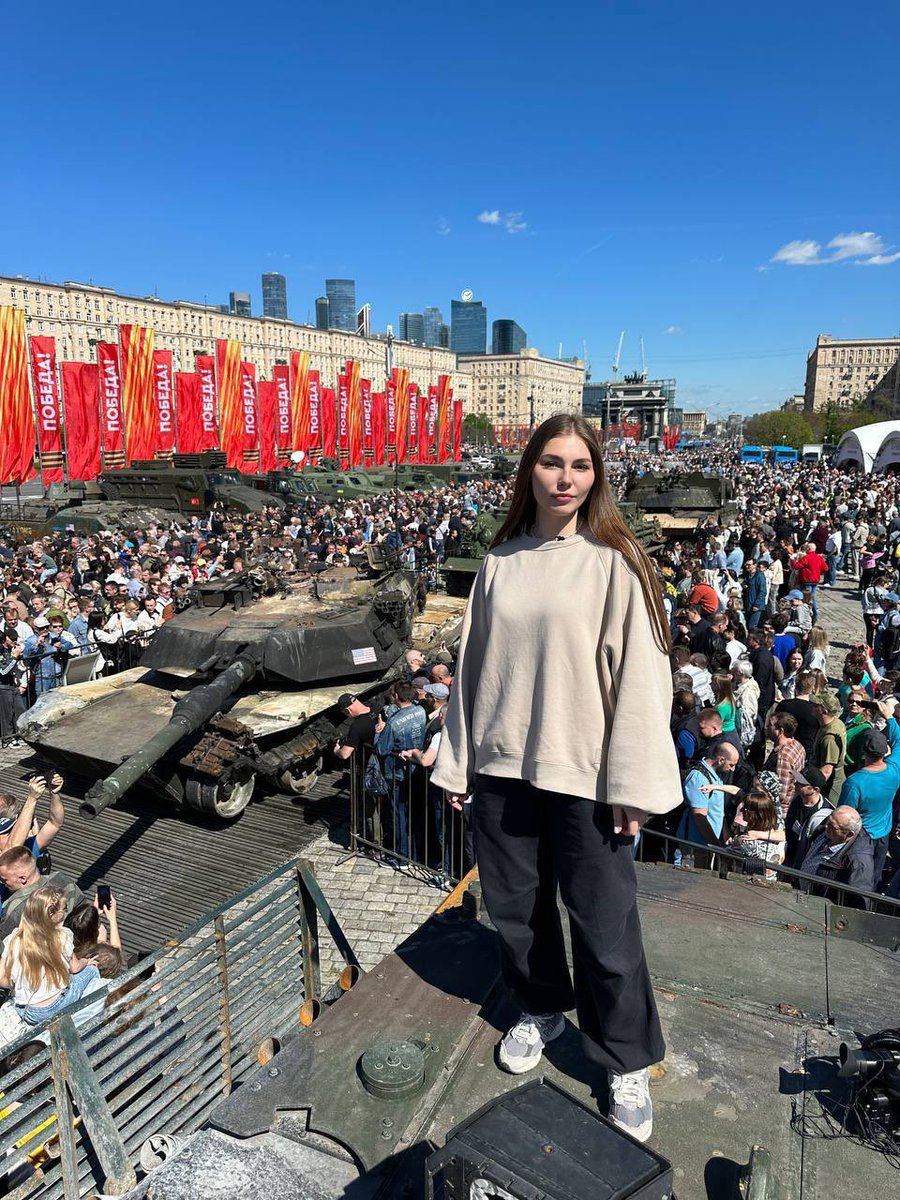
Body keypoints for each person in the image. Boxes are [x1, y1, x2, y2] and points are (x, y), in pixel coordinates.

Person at [432, 414, 681, 1143]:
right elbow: (475, 673)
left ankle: (624, 1058)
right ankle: (540, 1005)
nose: (566, 478)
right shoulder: (501, 562)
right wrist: (457, 759)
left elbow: (642, 677)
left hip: (587, 773)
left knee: (605, 927)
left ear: (596, 475)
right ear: (529, 472)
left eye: (579, 465)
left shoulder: (615, 560)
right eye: (551, 463)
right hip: (505, 767)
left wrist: (630, 781)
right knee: (518, 912)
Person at [0, 887, 99, 1036]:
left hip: (30, 1012)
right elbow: (75, 968)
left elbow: (2, 980)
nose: (66, 912)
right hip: (59, 1004)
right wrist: (87, 961)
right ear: (53, 913)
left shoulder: (13, 940)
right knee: (92, 970)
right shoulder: (62, 935)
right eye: (64, 909)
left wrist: (19, 982)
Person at [837, 719, 900, 888]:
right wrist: (891, 718)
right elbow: (899, 739)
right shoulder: (894, 770)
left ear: (864, 751)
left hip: (861, 837)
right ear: (885, 751)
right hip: (883, 834)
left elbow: (843, 816)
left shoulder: (854, 782)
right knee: (875, 877)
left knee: (857, 880)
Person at [798, 807, 875, 907]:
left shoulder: (858, 861)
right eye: (828, 820)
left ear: (849, 834)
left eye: (832, 826)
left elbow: (859, 901)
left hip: (820, 908)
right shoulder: (826, 832)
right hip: (802, 897)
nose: (826, 826)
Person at [784, 765, 831, 868]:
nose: (796, 784)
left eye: (801, 783)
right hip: (789, 860)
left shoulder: (824, 814)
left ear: (815, 789)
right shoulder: (797, 801)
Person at [763, 712, 805, 820]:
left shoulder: (783, 757)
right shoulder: (797, 745)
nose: (766, 727)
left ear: (780, 731)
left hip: (777, 812)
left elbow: (781, 793)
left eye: (770, 725)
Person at [809, 692, 847, 802]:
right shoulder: (836, 722)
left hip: (830, 789)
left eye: (816, 705)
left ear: (824, 711)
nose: (812, 706)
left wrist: (811, 790)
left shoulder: (829, 738)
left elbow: (826, 771)